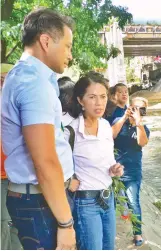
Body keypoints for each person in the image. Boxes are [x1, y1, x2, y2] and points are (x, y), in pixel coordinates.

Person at [1, 8, 76, 250]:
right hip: (39, 201)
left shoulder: (31, 78)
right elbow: (44, 161)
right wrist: (66, 224)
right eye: (67, 46)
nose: (70, 55)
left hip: (40, 198)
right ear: (45, 41)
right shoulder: (32, 83)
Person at [66, 72, 124, 250]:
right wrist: (68, 181)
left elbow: (108, 162)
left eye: (103, 96)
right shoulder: (71, 131)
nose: (99, 102)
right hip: (85, 203)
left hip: (108, 198)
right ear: (81, 101)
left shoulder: (106, 126)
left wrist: (115, 169)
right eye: (92, 97)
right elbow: (54, 165)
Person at [110, 96, 150, 246]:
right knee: (112, 203)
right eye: (135, 107)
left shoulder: (143, 128)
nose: (137, 111)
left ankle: (137, 233)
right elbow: (111, 135)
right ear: (129, 107)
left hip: (133, 172)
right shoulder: (119, 122)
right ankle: (111, 233)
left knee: (134, 202)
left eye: (142, 109)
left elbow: (142, 142)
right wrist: (124, 117)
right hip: (114, 171)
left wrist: (138, 123)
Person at [1, 63, 22, 250]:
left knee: (15, 223)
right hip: (2, 177)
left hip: (17, 175)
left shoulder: (18, 105)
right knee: (3, 223)